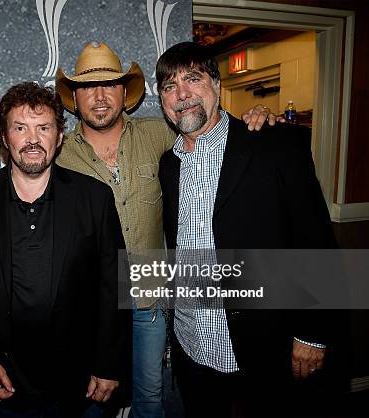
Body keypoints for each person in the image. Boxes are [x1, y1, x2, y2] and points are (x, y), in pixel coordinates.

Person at [0, 42, 278, 418]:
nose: (99, 96)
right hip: (91, 309)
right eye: (87, 87)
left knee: (149, 398)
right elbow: (21, 157)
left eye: (110, 84)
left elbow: (208, 128)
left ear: (125, 93)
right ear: (73, 99)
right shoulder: (58, 147)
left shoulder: (161, 133)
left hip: (149, 296)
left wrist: (256, 116)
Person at [156, 41, 338, 417]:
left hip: (261, 344)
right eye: (170, 86)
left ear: (217, 85)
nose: (182, 94)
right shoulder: (168, 164)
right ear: (162, 99)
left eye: (193, 79)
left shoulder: (275, 145)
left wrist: (312, 333)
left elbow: (316, 242)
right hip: (192, 343)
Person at [0, 82, 130, 418]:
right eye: (20, 128)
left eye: (43, 128)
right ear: (4, 137)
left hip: (78, 381)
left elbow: (115, 286)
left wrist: (109, 363)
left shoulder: (94, 198)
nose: (32, 139)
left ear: (59, 137)